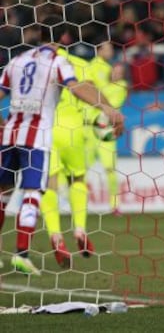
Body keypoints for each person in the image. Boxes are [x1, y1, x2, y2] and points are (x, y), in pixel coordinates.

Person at [0, 16, 124, 275]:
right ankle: (22, 253)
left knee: (3, 193)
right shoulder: (59, 61)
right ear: (65, 38)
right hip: (41, 136)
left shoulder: (17, 60)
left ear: (37, 33)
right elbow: (77, 86)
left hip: (10, 134)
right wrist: (108, 109)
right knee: (36, 190)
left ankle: (53, 234)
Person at [40, 48, 99, 268]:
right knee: (78, 179)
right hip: (73, 130)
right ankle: (80, 229)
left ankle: (56, 235)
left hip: (46, 130)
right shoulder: (80, 63)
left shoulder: (34, 62)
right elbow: (90, 94)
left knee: (50, 185)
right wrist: (98, 118)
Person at [85, 42, 128, 215]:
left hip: (107, 128)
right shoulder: (95, 69)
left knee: (110, 168)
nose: (116, 72)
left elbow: (102, 97)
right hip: (89, 126)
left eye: (120, 71)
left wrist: (96, 90)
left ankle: (115, 205)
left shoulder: (121, 86)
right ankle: (77, 203)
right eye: (115, 70)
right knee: (82, 168)